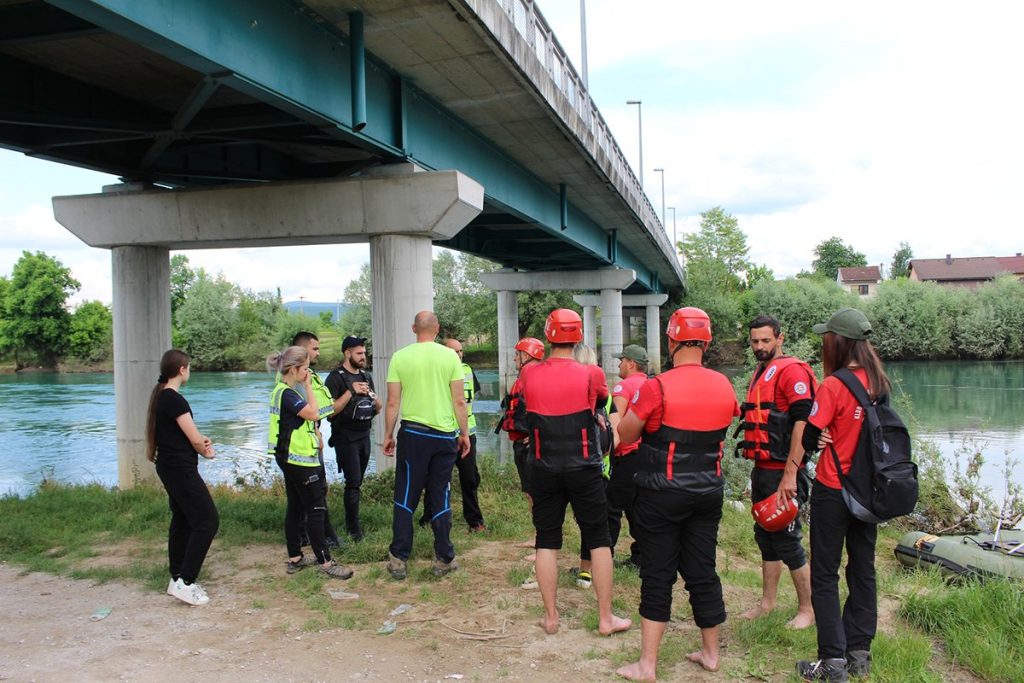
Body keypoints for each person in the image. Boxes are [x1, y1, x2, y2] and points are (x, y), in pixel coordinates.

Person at [615, 307, 739, 680]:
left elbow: (627, 435)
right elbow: (724, 420)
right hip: (707, 493)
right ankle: (711, 654)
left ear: (671, 340)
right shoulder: (724, 385)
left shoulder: (657, 386)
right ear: (707, 341)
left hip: (661, 494)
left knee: (657, 573)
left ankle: (647, 665)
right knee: (703, 570)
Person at [516, 308, 631, 636]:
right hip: (584, 468)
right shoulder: (592, 373)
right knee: (599, 539)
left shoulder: (529, 374)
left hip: (543, 468)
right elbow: (601, 404)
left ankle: (551, 618)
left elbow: (525, 402)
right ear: (578, 336)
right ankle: (606, 618)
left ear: (549, 335)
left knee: (547, 541)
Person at [796, 308, 889, 682]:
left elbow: (807, 438)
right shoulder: (880, 382)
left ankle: (832, 662)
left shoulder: (834, 385)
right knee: (863, 569)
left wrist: (818, 437)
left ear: (837, 342)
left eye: (826, 338)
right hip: (869, 494)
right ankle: (859, 654)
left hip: (834, 490)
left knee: (825, 574)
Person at [737, 315, 817, 629]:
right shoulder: (761, 370)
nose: (759, 347)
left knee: (786, 539)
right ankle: (767, 603)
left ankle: (807, 610)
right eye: (755, 341)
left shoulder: (792, 371)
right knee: (765, 536)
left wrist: (790, 474)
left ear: (780, 339)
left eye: (766, 341)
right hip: (763, 470)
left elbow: (803, 422)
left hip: (785, 471)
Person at [382, 311, 471, 580]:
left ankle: (399, 559)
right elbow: (459, 401)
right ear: (438, 329)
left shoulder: (400, 357)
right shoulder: (450, 357)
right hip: (443, 436)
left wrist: (389, 434)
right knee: (440, 493)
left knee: (407, 493)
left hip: (413, 434)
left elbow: (393, 403)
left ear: (413, 328)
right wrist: (464, 433)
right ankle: (443, 558)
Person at [267, 345, 353, 580]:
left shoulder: (279, 390)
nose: (308, 372)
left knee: (295, 507)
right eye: (305, 368)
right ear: (294, 369)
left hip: (289, 458)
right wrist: (307, 386)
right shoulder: (289, 394)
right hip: (301, 460)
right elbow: (315, 413)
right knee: (316, 509)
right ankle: (326, 562)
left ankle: (295, 557)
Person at [146, 349, 219, 606]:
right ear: (182, 370)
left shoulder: (161, 396)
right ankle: (186, 582)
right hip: (180, 469)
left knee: (183, 519)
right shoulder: (175, 399)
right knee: (207, 520)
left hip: (170, 465)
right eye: (188, 367)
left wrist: (199, 443)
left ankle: (176, 578)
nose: (189, 371)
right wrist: (205, 450)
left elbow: (180, 435)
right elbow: (193, 436)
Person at [422, 338, 485, 532]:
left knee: (470, 478)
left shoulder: (467, 370)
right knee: (437, 478)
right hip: (444, 433)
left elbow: (470, 399)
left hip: (467, 433)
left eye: (460, 351)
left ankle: (475, 521)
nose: (459, 355)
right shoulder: (436, 372)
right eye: (454, 351)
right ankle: (430, 518)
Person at [325, 335, 382, 542]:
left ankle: (354, 523)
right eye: (358, 353)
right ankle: (353, 529)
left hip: (364, 434)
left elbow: (377, 407)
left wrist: (376, 401)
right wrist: (351, 391)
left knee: (358, 482)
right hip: (345, 436)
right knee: (353, 482)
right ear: (347, 353)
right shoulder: (335, 378)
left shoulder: (366, 376)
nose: (363, 356)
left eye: (364, 352)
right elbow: (330, 412)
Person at [291, 331, 344, 548]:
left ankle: (302, 536)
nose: (318, 353)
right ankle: (325, 537)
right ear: (302, 350)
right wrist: (317, 432)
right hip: (306, 443)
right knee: (316, 491)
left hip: (308, 439)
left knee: (301, 495)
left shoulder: (305, 375)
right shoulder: (296, 379)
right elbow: (305, 410)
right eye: (315, 348)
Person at [607, 344, 650, 570]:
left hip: (627, 456)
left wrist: (606, 453)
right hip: (649, 457)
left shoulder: (623, 386)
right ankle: (642, 557)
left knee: (611, 507)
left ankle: (603, 556)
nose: (619, 363)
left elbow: (618, 425)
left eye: (622, 360)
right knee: (639, 508)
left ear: (631, 363)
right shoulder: (653, 384)